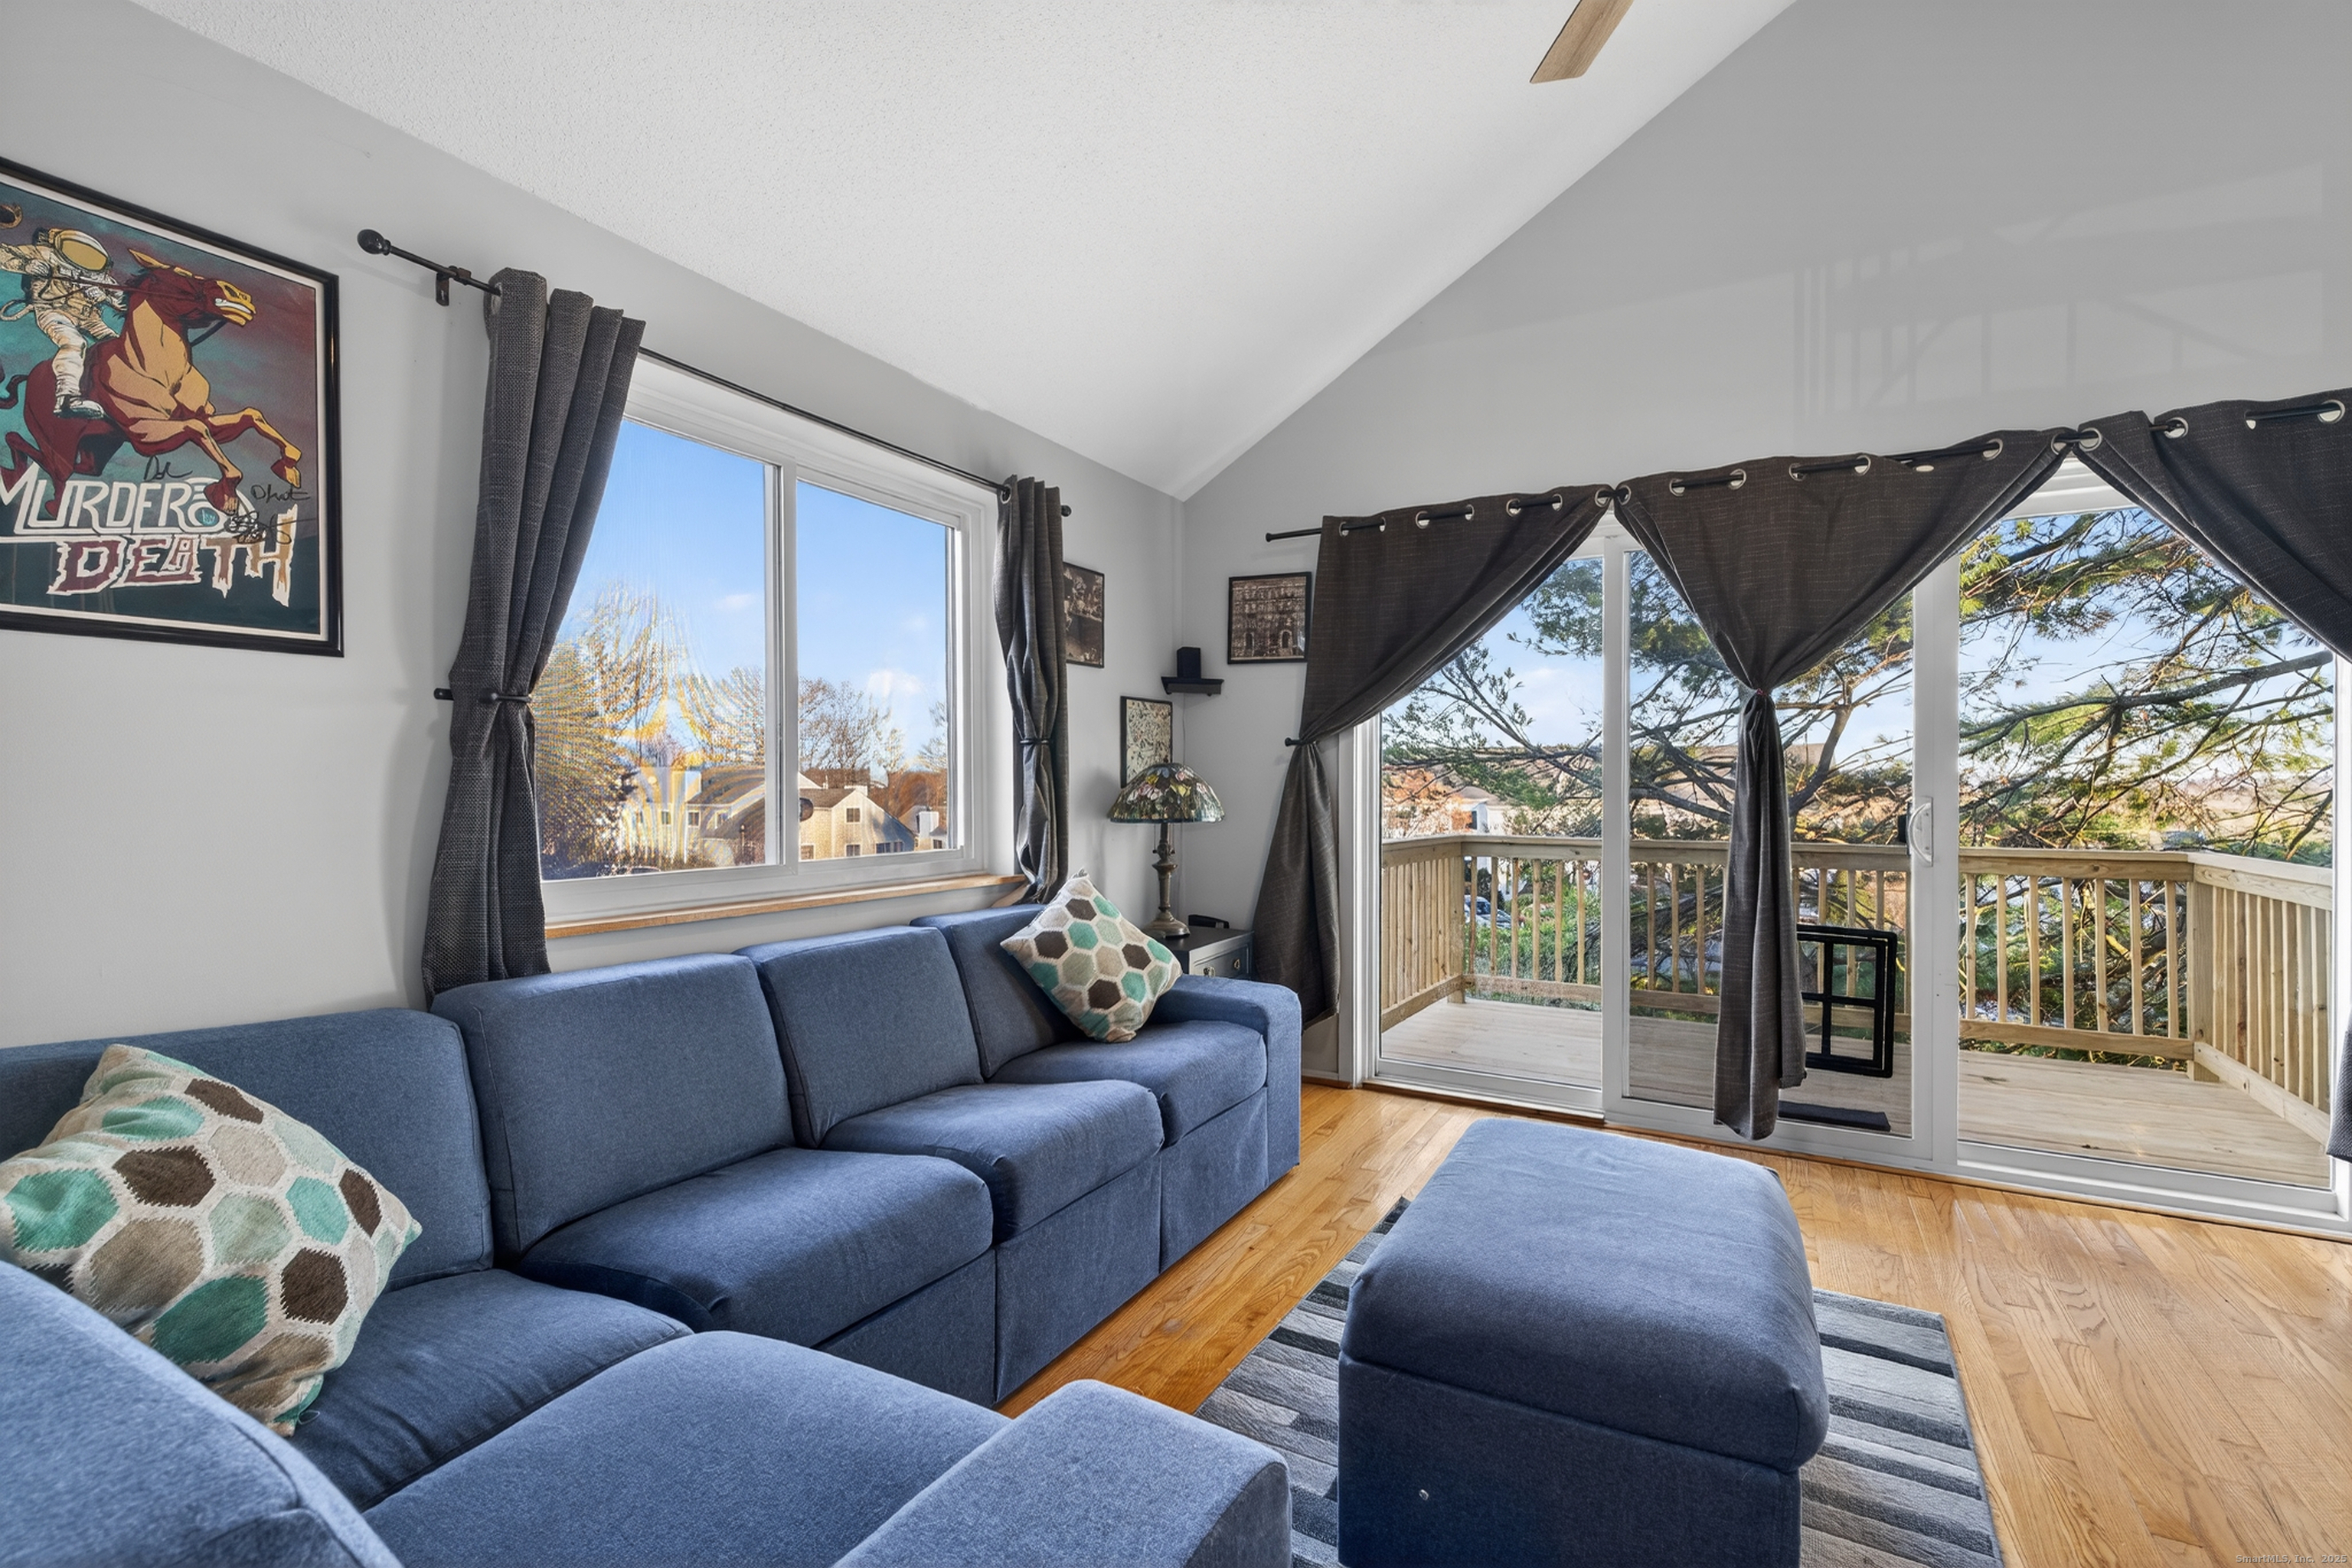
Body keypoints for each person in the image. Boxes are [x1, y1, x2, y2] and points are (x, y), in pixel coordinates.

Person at [0, 227, 123, 420]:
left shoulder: (99, 275)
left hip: (90, 319)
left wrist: (106, 298)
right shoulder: (45, 254)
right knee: (75, 343)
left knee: (120, 348)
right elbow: (3, 253)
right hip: (52, 311)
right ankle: (66, 398)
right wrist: (26, 266)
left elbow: (124, 301)